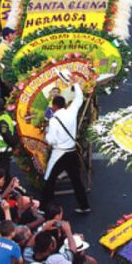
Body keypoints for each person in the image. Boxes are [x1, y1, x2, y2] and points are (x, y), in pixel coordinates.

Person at [42, 74, 92, 214]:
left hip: (59, 153)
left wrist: (47, 133)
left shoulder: (53, 120)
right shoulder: (72, 112)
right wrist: (75, 83)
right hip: (71, 152)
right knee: (76, 180)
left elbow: (51, 140)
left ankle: (45, 207)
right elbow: (79, 98)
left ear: (54, 106)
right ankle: (84, 206)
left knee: (49, 179)